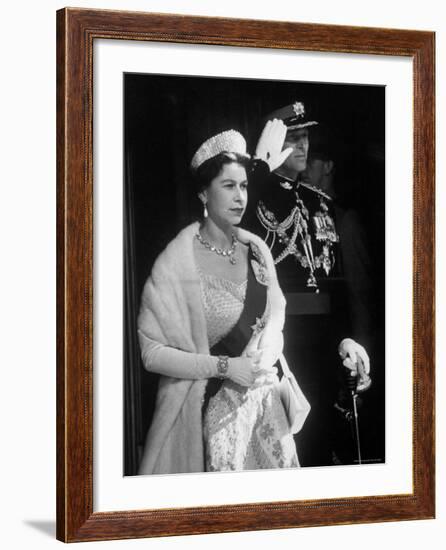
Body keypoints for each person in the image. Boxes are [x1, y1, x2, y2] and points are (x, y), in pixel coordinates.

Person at [137, 127, 310, 475]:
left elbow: (276, 317)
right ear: (203, 193)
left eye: (244, 186)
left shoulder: (257, 250)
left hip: (266, 414)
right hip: (206, 419)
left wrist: (270, 349)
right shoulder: (176, 262)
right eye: (228, 186)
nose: (240, 197)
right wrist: (228, 367)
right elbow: (151, 353)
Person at [244, 103, 373, 466]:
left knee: (324, 446)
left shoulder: (320, 204)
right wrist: (257, 170)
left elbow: (337, 285)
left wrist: (348, 338)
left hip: (324, 346)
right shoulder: (254, 195)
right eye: (292, 138)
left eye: (305, 138)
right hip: (280, 346)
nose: (302, 146)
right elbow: (229, 228)